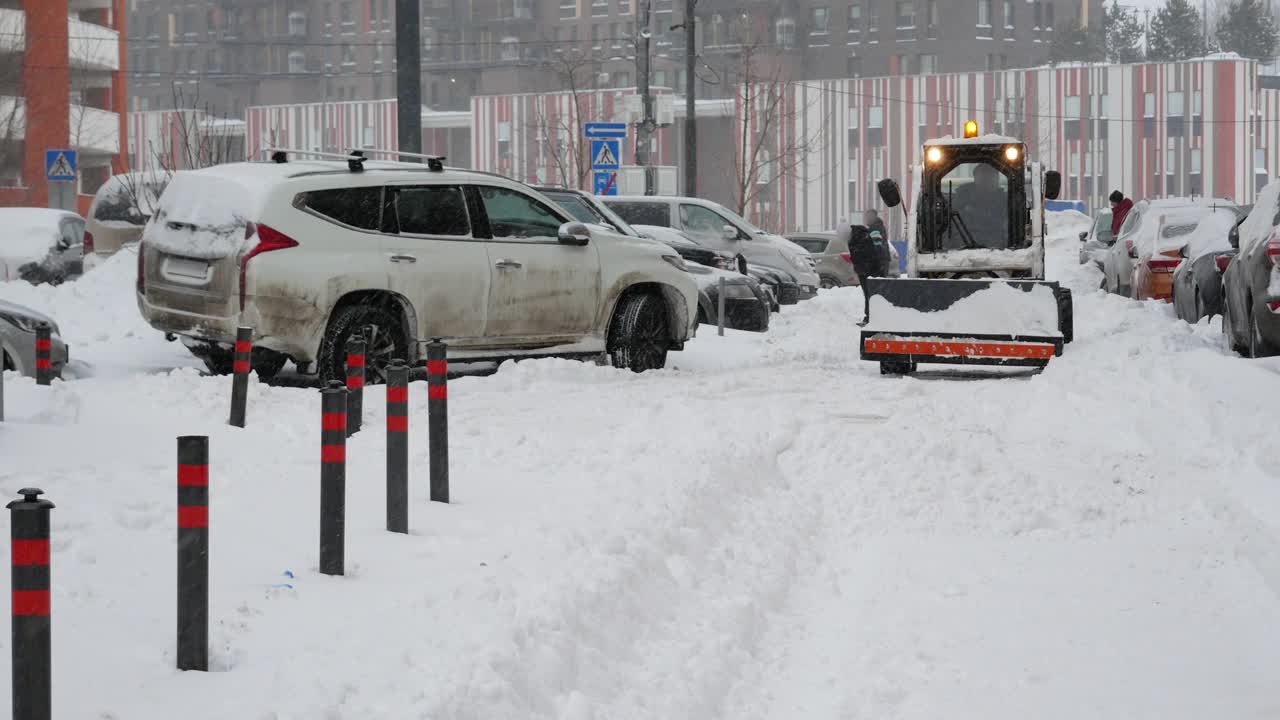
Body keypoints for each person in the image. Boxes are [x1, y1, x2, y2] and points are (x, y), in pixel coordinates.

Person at [842, 222, 890, 326]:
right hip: (865, 270)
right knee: (869, 295)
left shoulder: (860, 237)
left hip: (871, 271)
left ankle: (872, 319)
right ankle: (870, 318)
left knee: (872, 295)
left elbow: (866, 255)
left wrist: (863, 269)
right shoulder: (856, 236)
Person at [951, 163, 1009, 247]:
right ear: (976, 179)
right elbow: (951, 229)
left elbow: (1008, 229)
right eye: (985, 178)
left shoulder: (1007, 201)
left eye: (992, 177)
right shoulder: (961, 200)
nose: (989, 181)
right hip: (963, 248)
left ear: (997, 179)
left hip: (1001, 250)